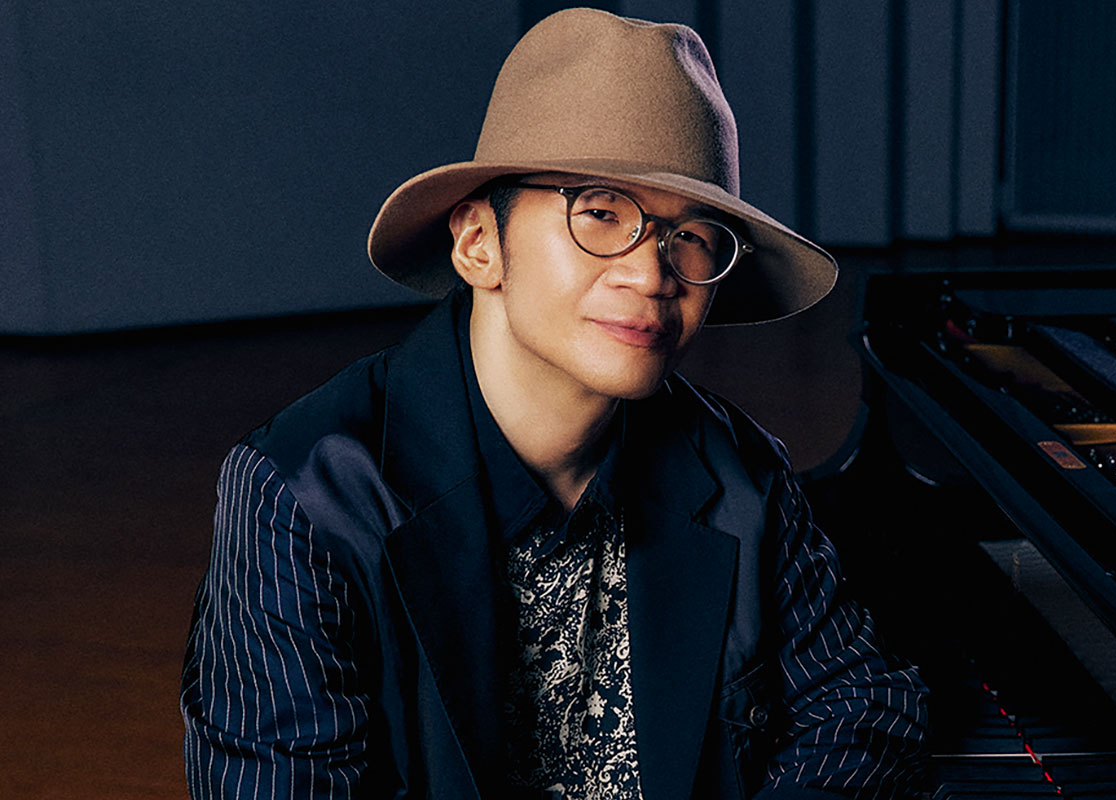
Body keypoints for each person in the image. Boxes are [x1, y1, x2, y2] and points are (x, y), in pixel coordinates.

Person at [180, 8, 927, 799]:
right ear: (478, 243)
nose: (652, 275)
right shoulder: (303, 497)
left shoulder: (741, 476)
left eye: (693, 235)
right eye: (601, 211)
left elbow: (863, 704)